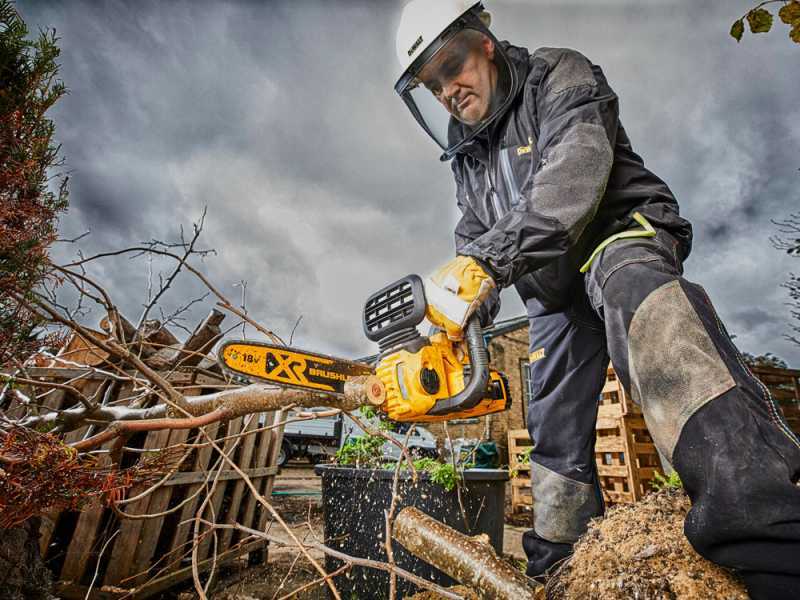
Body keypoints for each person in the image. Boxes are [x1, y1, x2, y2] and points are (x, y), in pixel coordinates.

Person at [392, 2, 800, 598]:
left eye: (450, 65)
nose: (447, 90)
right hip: (551, 285)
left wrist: (486, 261)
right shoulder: (468, 149)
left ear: (483, 40)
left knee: (643, 302)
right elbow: (473, 236)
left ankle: (769, 540)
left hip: (615, 233)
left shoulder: (560, 75)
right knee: (552, 419)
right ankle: (558, 562)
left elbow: (573, 179)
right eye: (432, 84)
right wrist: (459, 313)